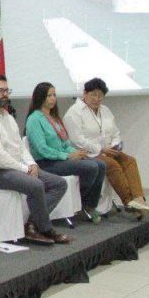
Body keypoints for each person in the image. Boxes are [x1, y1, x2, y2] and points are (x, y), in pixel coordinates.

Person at [0, 75, 70, 245]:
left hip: (15, 168)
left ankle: (32, 225)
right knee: (36, 185)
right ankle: (46, 229)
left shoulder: (8, 117)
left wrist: (32, 164)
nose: (4, 94)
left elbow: (20, 147)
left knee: (59, 184)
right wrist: (25, 169)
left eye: (6, 90)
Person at [63, 77, 149, 214]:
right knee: (112, 164)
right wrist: (100, 149)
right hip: (87, 153)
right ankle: (130, 202)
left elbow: (115, 132)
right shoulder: (74, 112)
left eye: (100, 96)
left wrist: (115, 145)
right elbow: (77, 140)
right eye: (93, 95)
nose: (96, 99)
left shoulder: (105, 110)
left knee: (129, 161)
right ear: (85, 93)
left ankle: (139, 199)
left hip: (107, 151)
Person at [25, 82, 108, 223]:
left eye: (54, 95)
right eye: (49, 95)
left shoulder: (53, 118)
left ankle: (90, 205)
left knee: (101, 165)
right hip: (46, 162)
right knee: (91, 167)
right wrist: (67, 156)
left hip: (60, 159)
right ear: (40, 97)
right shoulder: (34, 119)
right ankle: (82, 200)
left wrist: (76, 152)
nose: (53, 98)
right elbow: (42, 149)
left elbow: (64, 143)